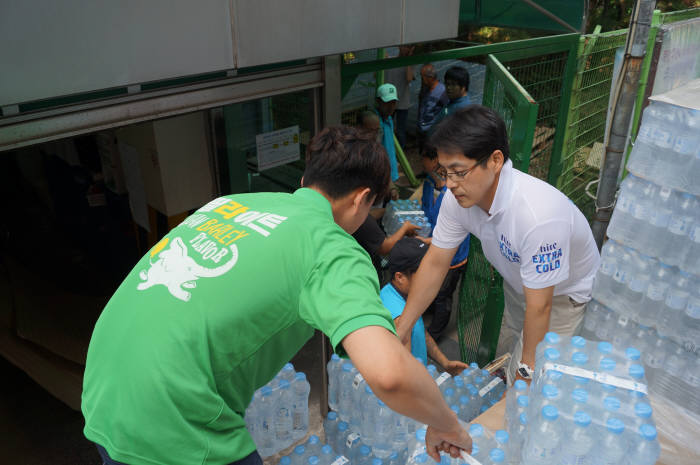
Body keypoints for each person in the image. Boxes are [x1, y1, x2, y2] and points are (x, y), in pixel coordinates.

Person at [81, 126, 471, 465]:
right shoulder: (330, 246)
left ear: (306, 179)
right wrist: (447, 424)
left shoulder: (230, 203)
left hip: (103, 390)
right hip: (171, 415)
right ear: (361, 199)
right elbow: (389, 375)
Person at [395, 106, 600, 386]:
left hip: (561, 298)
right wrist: (404, 326)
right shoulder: (458, 199)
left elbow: (541, 307)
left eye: (459, 172)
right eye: (445, 172)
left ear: (494, 160)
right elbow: (435, 262)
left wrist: (526, 371)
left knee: (534, 379)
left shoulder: (537, 216)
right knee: (520, 336)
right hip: (518, 285)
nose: (450, 184)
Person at [381, 238, 470, 375]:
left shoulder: (407, 296)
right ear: (400, 277)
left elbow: (421, 332)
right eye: (422, 272)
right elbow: (403, 376)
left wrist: (445, 362)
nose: (430, 277)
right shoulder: (398, 317)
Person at [419, 148, 470, 341]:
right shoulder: (428, 183)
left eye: (424, 161)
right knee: (431, 284)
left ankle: (435, 334)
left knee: (443, 295)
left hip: (453, 255)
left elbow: (454, 233)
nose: (422, 165)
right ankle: (428, 312)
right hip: (433, 248)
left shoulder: (456, 193)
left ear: (435, 162)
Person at [352, 213, 420, 279]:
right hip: (364, 267)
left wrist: (387, 210)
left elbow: (370, 214)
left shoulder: (352, 213)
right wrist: (405, 228)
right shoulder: (361, 218)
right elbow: (385, 248)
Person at [385, 45, 416, 149]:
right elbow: (376, 75)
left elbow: (409, 78)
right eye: (404, 46)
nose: (405, 49)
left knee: (400, 130)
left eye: (408, 47)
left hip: (403, 103)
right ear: (399, 47)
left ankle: (400, 152)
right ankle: (386, 149)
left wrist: (408, 60)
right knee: (386, 127)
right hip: (389, 101)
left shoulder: (410, 65)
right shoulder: (389, 61)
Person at [416, 64, 448, 154]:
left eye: (423, 77)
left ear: (429, 77)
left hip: (433, 131)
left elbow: (446, 111)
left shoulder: (442, 91)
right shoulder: (426, 90)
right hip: (422, 130)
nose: (422, 80)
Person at [374, 83, 400, 184]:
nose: (391, 107)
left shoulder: (389, 119)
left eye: (393, 103)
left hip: (391, 174)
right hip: (382, 177)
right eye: (387, 103)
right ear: (378, 101)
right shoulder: (376, 122)